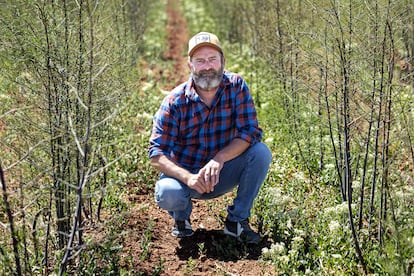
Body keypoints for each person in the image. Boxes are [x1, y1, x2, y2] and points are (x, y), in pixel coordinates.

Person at [148, 31, 272, 244]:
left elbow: (250, 132)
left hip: (221, 173)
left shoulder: (236, 87)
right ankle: (181, 219)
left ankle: (237, 222)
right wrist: (188, 178)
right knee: (168, 191)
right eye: (200, 61)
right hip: (185, 178)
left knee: (260, 153)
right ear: (190, 65)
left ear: (223, 61)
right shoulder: (174, 102)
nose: (207, 66)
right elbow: (156, 153)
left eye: (212, 59)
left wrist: (219, 159)